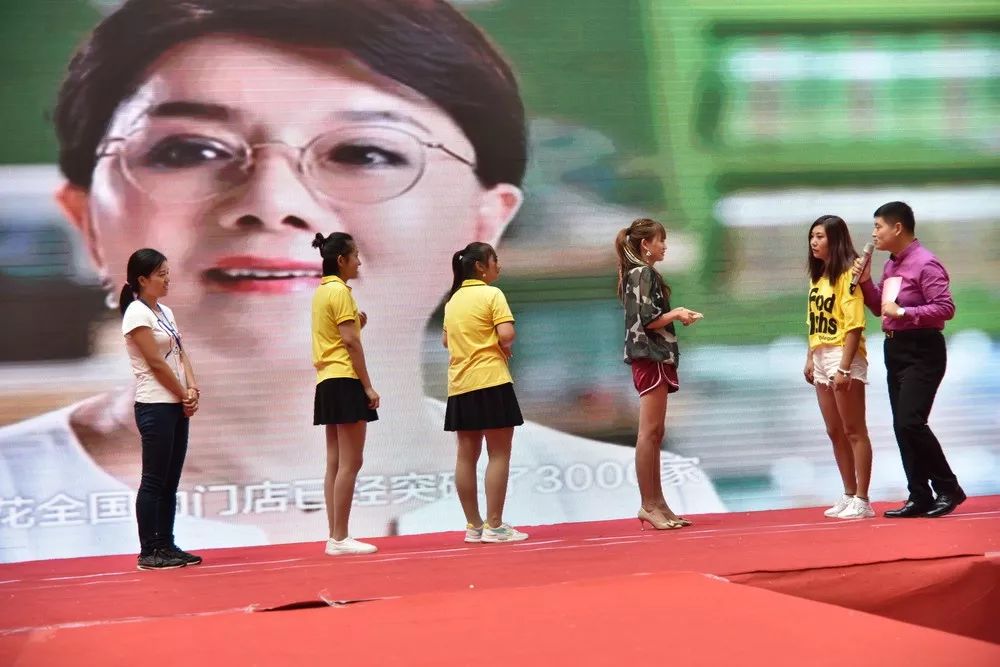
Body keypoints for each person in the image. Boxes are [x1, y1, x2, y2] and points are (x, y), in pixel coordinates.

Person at [0, 0, 724, 562]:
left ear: (485, 222)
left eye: (366, 152)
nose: (271, 201)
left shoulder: (635, 500)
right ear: (85, 218)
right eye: (189, 149)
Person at [853, 201, 963, 518]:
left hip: (922, 349)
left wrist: (904, 312)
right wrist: (865, 282)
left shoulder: (925, 263)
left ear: (897, 227)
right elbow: (880, 308)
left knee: (911, 421)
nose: (874, 233)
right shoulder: (891, 265)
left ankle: (948, 488)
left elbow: (945, 308)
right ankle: (919, 495)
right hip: (895, 348)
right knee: (902, 426)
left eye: (878, 226)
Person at [615, 218, 702, 530]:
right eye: (660, 240)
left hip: (654, 357)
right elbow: (648, 319)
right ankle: (649, 504)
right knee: (648, 433)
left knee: (655, 433)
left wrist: (675, 315)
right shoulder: (643, 273)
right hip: (650, 356)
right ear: (645, 245)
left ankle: (659, 503)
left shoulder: (639, 274)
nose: (664, 246)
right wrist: (676, 313)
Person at [119, 248, 202, 569]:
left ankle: (166, 545)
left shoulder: (165, 311)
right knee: (154, 479)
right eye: (161, 275)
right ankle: (149, 550)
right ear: (142, 280)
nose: (168, 280)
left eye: (168, 273)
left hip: (176, 403)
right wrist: (182, 393)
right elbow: (155, 362)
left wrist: (192, 388)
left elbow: (180, 352)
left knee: (170, 480)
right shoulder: (136, 313)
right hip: (155, 405)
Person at [443, 242, 527, 544]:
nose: (498, 266)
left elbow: (445, 341)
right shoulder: (492, 294)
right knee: (499, 454)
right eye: (495, 260)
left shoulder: (453, 301)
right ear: (480, 267)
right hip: (491, 381)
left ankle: (473, 526)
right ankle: (495, 525)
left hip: (460, 385)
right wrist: (499, 345)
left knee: (466, 457)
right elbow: (507, 334)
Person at [311, 232, 379, 555]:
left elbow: (342, 335)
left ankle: (335, 535)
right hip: (345, 379)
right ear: (341, 260)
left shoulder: (322, 291)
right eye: (355, 256)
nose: (359, 262)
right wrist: (367, 386)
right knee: (351, 462)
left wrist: (356, 326)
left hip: (327, 380)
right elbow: (350, 343)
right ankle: (339, 537)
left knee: (336, 462)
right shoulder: (340, 292)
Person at [803, 216, 874, 520]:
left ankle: (863, 499)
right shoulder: (818, 277)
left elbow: (855, 325)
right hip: (820, 354)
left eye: (820, 236)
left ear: (835, 239)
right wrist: (810, 357)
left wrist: (844, 368)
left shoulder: (849, 275)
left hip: (843, 356)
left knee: (854, 430)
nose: (813, 242)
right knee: (834, 431)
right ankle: (848, 493)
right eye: (812, 236)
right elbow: (813, 320)